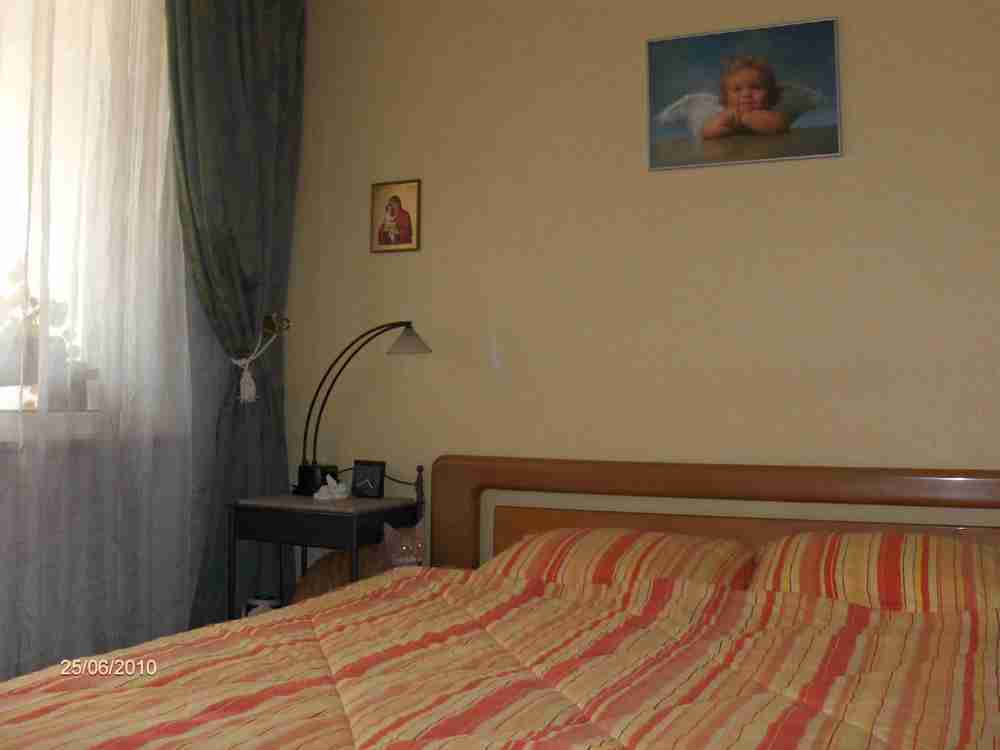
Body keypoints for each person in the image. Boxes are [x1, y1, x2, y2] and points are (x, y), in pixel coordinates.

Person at [701, 56, 791, 140]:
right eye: (737, 89)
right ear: (725, 98)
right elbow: (706, 132)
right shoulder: (726, 116)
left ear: (771, 95)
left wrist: (744, 119)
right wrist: (723, 123)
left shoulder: (773, 115)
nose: (746, 94)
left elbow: (781, 125)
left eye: (756, 88)